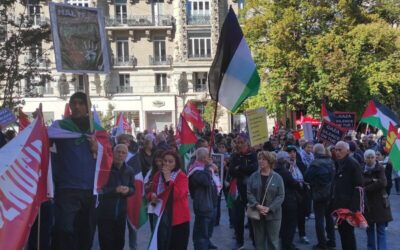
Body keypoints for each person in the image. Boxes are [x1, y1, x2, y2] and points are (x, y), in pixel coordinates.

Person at [50, 92, 99, 250]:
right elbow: (42, 142)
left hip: (91, 190)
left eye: (81, 103)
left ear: (87, 107)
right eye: (74, 103)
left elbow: (109, 156)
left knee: (87, 232)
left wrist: (97, 149)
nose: (76, 106)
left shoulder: (97, 130)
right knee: (64, 228)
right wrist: (37, 125)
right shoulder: (59, 127)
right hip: (67, 188)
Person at [148, 150, 191, 250]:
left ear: (176, 163)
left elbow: (177, 195)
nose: (167, 163)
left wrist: (168, 180)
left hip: (178, 220)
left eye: (170, 161)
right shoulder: (157, 175)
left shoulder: (181, 176)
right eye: (165, 160)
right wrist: (151, 197)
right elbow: (151, 192)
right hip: (162, 218)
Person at [97, 144, 135, 250]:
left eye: (123, 153)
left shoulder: (129, 170)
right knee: (106, 244)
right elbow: (98, 190)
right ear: (113, 152)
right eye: (118, 151)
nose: (120, 155)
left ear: (126, 155)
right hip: (105, 214)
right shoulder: (104, 168)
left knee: (119, 243)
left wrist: (128, 190)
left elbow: (133, 189)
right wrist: (114, 190)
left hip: (121, 215)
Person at [247, 151, 284, 250]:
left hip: (273, 215)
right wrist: (257, 205)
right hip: (257, 213)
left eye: (264, 159)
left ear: (270, 161)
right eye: (259, 159)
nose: (261, 161)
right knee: (259, 242)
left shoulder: (277, 177)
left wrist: (269, 208)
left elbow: (281, 195)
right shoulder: (253, 176)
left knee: (273, 241)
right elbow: (249, 193)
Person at [332, 141, 363, 250]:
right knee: (342, 232)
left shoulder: (352, 164)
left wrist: (353, 208)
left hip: (348, 206)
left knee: (348, 234)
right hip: (339, 205)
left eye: (340, 150)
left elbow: (359, 187)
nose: (337, 152)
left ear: (348, 151)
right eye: (336, 149)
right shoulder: (339, 162)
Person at [229, 134, 258, 249]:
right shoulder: (235, 156)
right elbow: (231, 170)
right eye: (237, 142)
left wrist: (239, 169)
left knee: (253, 217)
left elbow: (254, 168)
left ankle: (255, 241)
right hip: (238, 191)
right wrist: (242, 170)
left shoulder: (253, 155)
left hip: (251, 191)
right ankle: (239, 241)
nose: (239, 145)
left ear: (247, 143)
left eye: (241, 142)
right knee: (238, 218)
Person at [304, 144, 336, 250]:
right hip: (330, 194)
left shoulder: (315, 163)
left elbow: (307, 177)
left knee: (319, 220)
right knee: (329, 218)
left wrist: (313, 182)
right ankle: (332, 241)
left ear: (315, 152)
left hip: (319, 195)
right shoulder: (331, 162)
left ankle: (321, 244)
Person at [188, 147, 219, 250]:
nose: (211, 159)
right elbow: (205, 181)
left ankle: (207, 243)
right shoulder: (196, 170)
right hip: (203, 206)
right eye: (208, 157)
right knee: (201, 235)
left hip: (211, 204)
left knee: (208, 231)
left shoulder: (204, 168)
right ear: (204, 158)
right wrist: (208, 167)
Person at [362, 149, 392, 250]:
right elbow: (362, 182)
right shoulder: (362, 169)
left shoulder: (380, 168)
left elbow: (383, 183)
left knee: (381, 230)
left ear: (375, 158)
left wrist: (367, 187)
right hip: (368, 204)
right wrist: (373, 181)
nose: (370, 159)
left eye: (372, 157)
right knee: (369, 229)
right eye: (368, 157)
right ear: (364, 159)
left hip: (381, 204)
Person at [274, 151, 301, 250]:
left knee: (283, 224)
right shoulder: (285, 172)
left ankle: (285, 243)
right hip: (288, 201)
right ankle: (287, 245)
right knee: (289, 225)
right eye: (288, 158)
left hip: (279, 201)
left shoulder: (275, 171)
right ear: (285, 160)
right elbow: (294, 184)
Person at [286, 145, 310, 245]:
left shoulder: (300, 164)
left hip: (301, 193)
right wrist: (289, 168)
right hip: (290, 194)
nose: (292, 154)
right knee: (290, 217)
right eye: (290, 152)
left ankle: (302, 235)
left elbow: (306, 176)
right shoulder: (285, 166)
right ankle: (288, 239)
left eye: (294, 152)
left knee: (301, 215)